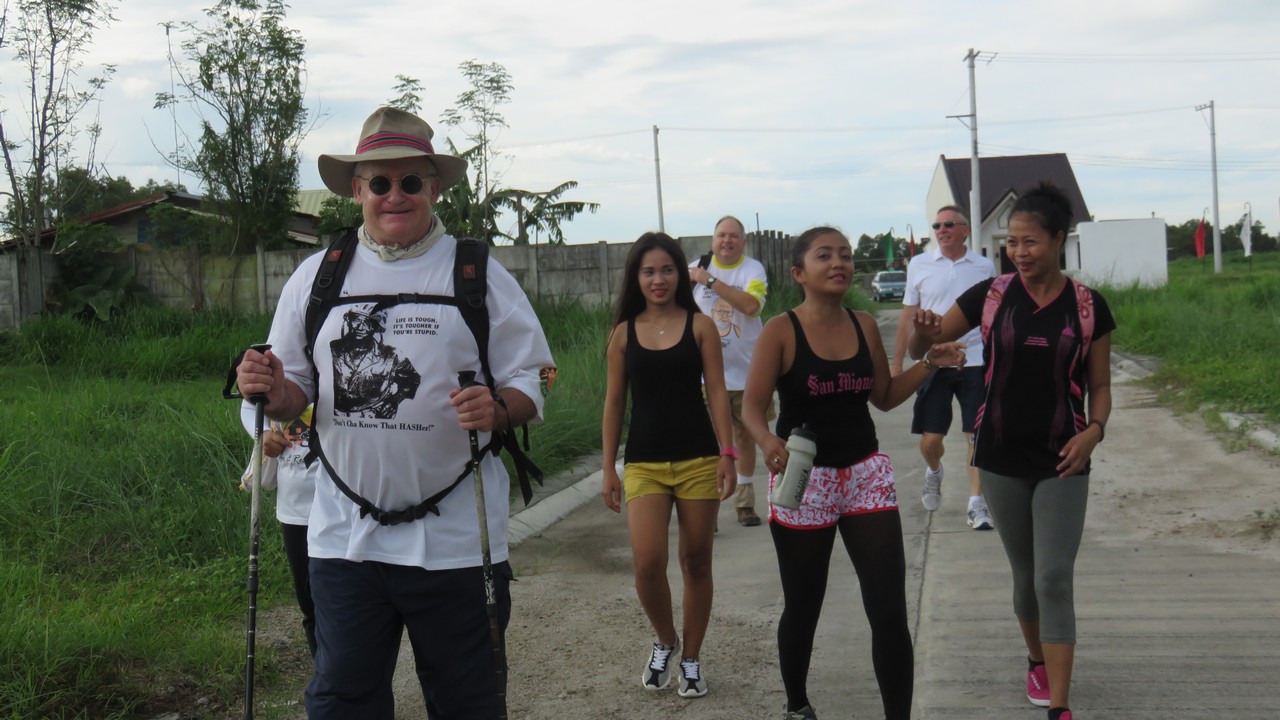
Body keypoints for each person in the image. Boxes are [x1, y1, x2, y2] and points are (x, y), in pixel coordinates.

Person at [235, 106, 554, 719]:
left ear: (434, 188)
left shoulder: (476, 273)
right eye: (379, 182)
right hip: (343, 540)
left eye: (410, 181)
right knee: (343, 702)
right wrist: (269, 388)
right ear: (357, 190)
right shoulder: (317, 278)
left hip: (458, 543)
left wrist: (498, 408)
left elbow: (532, 378)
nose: (394, 195)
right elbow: (295, 390)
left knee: (467, 704)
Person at [741, 227, 966, 720]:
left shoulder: (864, 324)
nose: (839, 262)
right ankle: (798, 705)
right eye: (825, 256)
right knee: (804, 605)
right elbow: (751, 407)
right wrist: (767, 442)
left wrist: (929, 362)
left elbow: (883, 396)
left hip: (865, 474)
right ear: (799, 273)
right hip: (805, 479)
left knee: (888, 610)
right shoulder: (781, 330)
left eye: (844, 254)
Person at [909, 183, 1114, 720]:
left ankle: (1060, 707)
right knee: (1025, 577)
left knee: (1053, 577)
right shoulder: (992, 295)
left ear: (1059, 239)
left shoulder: (1088, 306)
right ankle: (1036, 660)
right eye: (1012, 243)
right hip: (999, 456)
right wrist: (924, 336)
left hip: (1064, 457)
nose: (1019, 253)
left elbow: (1100, 386)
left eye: (1030, 242)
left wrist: (1094, 430)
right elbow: (924, 346)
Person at [601, 232, 738, 700]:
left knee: (696, 560)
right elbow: (614, 402)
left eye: (666, 270)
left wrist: (728, 453)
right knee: (647, 563)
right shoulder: (623, 334)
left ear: (680, 273)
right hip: (644, 463)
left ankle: (692, 659)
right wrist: (608, 467)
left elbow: (716, 391)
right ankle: (665, 640)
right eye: (648, 271)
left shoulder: (701, 327)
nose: (658, 279)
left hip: (699, 459)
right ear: (635, 278)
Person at [892, 205, 997, 530]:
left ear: (965, 230)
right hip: (933, 361)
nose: (941, 230)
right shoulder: (920, 264)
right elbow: (908, 316)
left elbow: (993, 315)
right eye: (937, 225)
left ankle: (976, 503)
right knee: (931, 439)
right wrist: (897, 363)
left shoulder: (984, 266)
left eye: (949, 224)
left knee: (976, 435)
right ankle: (934, 471)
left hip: (975, 359)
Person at [688, 215, 774, 527]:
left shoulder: (752, 269)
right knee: (708, 442)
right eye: (721, 235)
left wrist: (711, 282)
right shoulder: (693, 269)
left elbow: (752, 306)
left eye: (734, 236)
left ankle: (745, 503)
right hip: (703, 375)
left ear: (743, 242)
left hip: (747, 373)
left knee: (745, 436)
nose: (727, 241)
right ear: (712, 239)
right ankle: (707, 507)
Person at [238, 401, 318, 658]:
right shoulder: (279, 373)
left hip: (346, 509)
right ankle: (324, 674)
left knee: (348, 605)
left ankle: (348, 675)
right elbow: (250, 406)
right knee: (309, 604)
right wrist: (263, 434)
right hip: (295, 509)